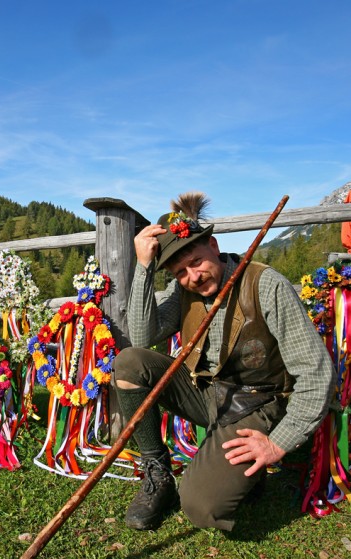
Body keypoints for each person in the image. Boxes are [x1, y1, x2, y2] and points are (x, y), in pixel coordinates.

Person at [113, 192, 336, 532]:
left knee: (203, 509)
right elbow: (143, 339)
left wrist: (278, 444)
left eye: (197, 262)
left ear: (214, 246)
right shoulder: (183, 291)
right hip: (206, 393)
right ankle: (158, 474)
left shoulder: (266, 285)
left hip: (257, 403)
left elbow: (316, 374)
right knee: (129, 363)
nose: (194, 276)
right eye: (181, 271)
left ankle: (245, 473)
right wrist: (143, 269)